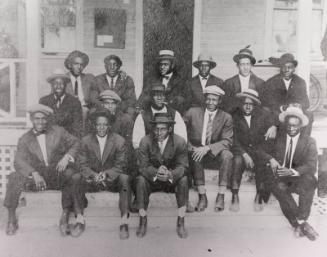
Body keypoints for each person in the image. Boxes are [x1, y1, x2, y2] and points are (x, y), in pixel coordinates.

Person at [4, 104, 85, 237]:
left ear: (47, 119)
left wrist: (67, 157)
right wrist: (33, 173)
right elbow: (18, 161)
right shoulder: (25, 139)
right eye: (37, 118)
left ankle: (65, 215)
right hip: (37, 179)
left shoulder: (58, 131)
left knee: (72, 175)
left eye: (43, 118)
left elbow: (76, 143)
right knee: (14, 177)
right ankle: (11, 218)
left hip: (55, 175)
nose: (40, 122)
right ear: (31, 120)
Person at [262, 106, 319, 241]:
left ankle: (300, 221)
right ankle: (302, 224)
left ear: (300, 125)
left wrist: (293, 171)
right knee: (279, 187)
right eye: (289, 125)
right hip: (280, 176)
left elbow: (311, 165)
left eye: (295, 125)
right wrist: (271, 159)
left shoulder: (309, 141)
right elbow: (260, 150)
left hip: (297, 176)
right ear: (285, 124)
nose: (291, 128)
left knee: (310, 181)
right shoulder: (278, 138)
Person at [78, 108, 131, 240]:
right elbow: (82, 164)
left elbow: (121, 165)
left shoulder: (119, 141)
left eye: (104, 124)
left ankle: (124, 221)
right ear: (94, 125)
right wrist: (92, 175)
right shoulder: (85, 141)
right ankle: (79, 219)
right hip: (92, 181)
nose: (101, 127)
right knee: (76, 178)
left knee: (125, 179)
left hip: (110, 181)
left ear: (109, 125)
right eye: (98, 124)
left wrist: (106, 174)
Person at [135, 113, 189, 238]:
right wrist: (156, 172)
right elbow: (142, 166)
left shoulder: (180, 142)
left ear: (170, 129)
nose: (159, 132)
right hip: (152, 180)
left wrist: (170, 174)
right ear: (152, 129)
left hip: (171, 181)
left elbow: (183, 166)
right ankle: (142, 219)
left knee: (184, 180)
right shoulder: (145, 141)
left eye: (163, 129)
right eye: (156, 129)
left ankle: (181, 220)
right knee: (140, 180)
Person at [184, 86, 233, 212]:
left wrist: (207, 148)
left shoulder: (226, 117)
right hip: (196, 150)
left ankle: (221, 195)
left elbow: (227, 141)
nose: (211, 103)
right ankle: (202, 195)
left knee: (227, 155)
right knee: (196, 154)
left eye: (214, 100)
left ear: (219, 101)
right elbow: (181, 132)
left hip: (214, 153)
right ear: (205, 99)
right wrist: (192, 147)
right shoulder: (192, 112)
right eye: (209, 99)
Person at [230, 89, 274, 212]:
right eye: (245, 103)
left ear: (255, 105)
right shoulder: (235, 117)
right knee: (237, 161)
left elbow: (274, 121)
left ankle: (259, 195)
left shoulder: (262, 116)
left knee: (262, 163)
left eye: (251, 103)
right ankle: (234, 195)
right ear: (241, 104)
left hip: (257, 150)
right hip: (241, 151)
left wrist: (273, 126)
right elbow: (233, 140)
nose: (248, 106)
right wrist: (244, 154)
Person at [261, 53, 312, 134]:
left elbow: (306, 102)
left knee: (309, 114)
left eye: (290, 67)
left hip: (295, 112)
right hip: (278, 111)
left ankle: (304, 142)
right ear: (280, 68)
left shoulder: (300, 82)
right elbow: (266, 102)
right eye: (283, 67)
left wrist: (299, 105)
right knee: (267, 114)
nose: (286, 70)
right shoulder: (272, 82)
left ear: (294, 69)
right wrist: (282, 107)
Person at [133, 82, 187, 149]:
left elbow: (182, 140)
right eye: (156, 95)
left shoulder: (175, 114)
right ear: (151, 97)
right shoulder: (142, 116)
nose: (159, 98)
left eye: (162, 95)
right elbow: (137, 144)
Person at [39, 68, 83, 138]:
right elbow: (41, 126)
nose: (58, 86)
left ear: (65, 84)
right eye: (55, 83)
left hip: (68, 141)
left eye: (61, 83)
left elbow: (77, 128)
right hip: (49, 141)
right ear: (51, 85)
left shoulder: (74, 102)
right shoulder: (44, 101)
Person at [64, 50, 100, 126]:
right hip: (68, 110)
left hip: (86, 110)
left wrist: (90, 108)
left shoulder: (89, 79)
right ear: (70, 65)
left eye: (82, 65)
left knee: (84, 112)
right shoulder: (63, 79)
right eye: (76, 64)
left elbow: (95, 99)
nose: (79, 67)